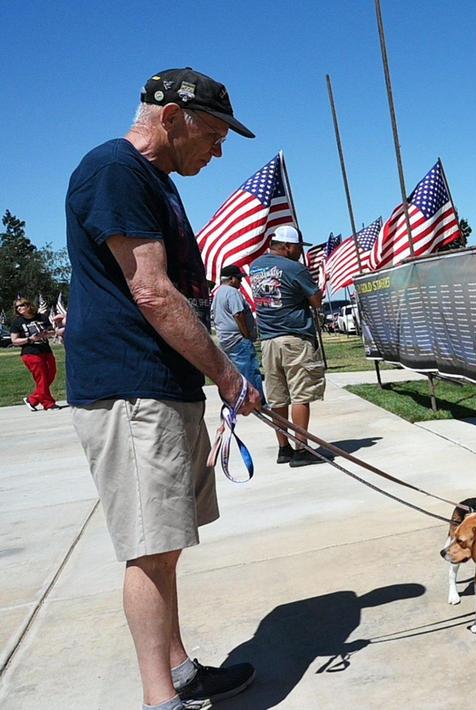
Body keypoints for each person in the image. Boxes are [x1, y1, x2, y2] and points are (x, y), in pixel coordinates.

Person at [65, 67, 262, 710]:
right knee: (150, 549)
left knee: (167, 543)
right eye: (213, 134)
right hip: (132, 388)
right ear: (171, 118)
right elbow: (149, 290)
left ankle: (178, 671)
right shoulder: (116, 171)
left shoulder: (155, 180)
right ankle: (161, 700)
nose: (219, 149)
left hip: (163, 386)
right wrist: (230, 375)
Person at [249, 225, 325, 467]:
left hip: (269, 340)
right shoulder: (295, 268)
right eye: (297, 248)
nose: (300, 253)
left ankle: (284, 449)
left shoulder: (256, 267)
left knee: (278, 397)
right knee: (300, 394)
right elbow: (316, 302)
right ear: (287, 246)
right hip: (295, 338)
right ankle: (302, 449)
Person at [211, 264, 265, 399]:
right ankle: (257, 401)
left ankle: (236, 399)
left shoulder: (218, 293)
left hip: (225, 340)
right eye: (239, 279)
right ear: (231, 279)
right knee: (251, 371)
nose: (241, 282)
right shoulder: (232, 292)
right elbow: (238, 315)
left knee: (233, 373)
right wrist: (246, 334)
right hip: (238, 339)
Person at [11, 298, 62, 410]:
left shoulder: (41, 317)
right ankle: (48, 404)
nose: (19, 308)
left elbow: (53, 331)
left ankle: (33, 399)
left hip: (46, 350)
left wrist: (45, 334)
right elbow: (14, 340)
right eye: (17, 307)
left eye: (22, 305)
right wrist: (30, 339)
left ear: (29, 305)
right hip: (30, 353)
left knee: (51, 374)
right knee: (42, 378)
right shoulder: (18, 322)